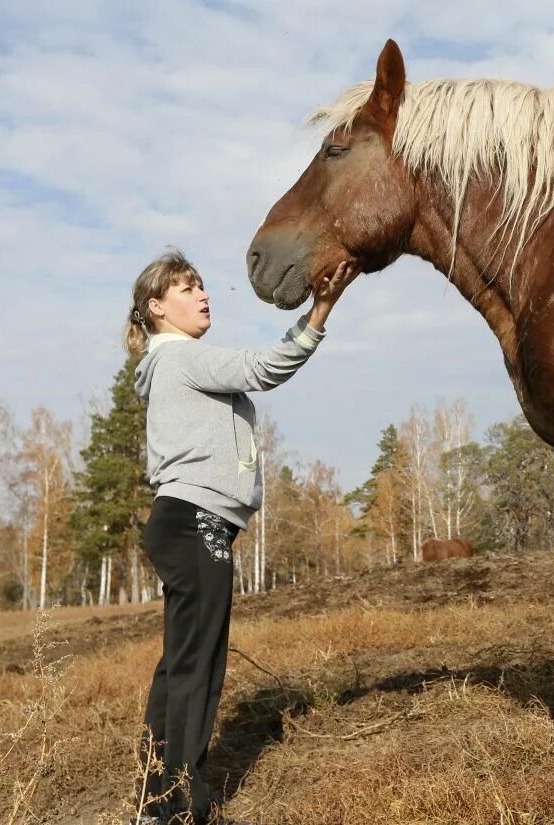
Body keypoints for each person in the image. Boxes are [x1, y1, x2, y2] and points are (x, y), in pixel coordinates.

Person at [126, 249, 357, 824]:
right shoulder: (181, 358)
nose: (203, 296)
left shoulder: (169, 364)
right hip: (196, 518)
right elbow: (266, 367)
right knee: (199, 663)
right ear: (156, 308)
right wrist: (322, 306)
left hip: (184, 520)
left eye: (202, 286)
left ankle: (157, 802)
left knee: (181, 661)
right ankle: (184, 805)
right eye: (186, 289)